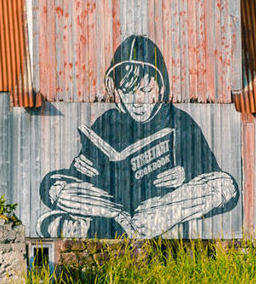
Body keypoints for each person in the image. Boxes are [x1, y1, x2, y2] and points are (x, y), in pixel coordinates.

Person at [38, 35, 238, 239]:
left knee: (225, 186)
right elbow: (88, 181)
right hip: (113, 205)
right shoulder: (106, 122)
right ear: (115, 92)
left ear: (160, 88)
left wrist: (186, 175)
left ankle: (95, 224)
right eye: (127, 92)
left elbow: (211, 173)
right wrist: (81, 168)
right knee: (53, 185)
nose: (137, 101)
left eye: (145, 90)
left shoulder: (179, 121)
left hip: (161, 206)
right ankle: (105, 220)